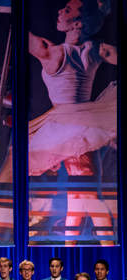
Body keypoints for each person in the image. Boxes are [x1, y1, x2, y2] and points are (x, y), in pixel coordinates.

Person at [28, 0, 117, 240]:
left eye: (67, 10)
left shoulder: (53, 53)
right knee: (77, 197)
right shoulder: (95, 49)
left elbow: (21, 34)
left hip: (68, 129)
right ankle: (71, 248)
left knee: (85, 196)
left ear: (77, 23)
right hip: (83, 125)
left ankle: (108, 246)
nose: (59, 11)